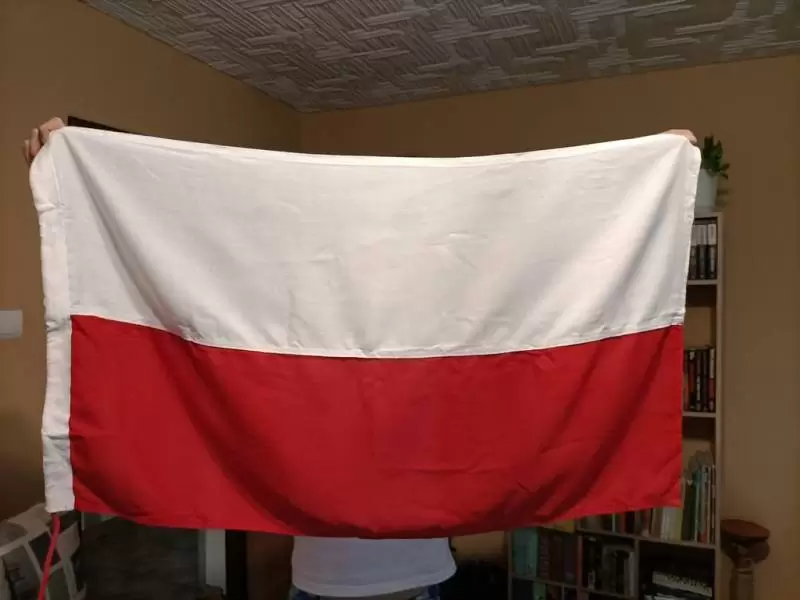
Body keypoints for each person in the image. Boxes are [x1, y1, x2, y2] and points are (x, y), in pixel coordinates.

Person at [24, 119, 696, 600]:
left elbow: (505, 430)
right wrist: (66, 167)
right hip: (317, 582)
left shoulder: (445, 348)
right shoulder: (303, 344)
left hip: (420, 580)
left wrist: (663, 170)